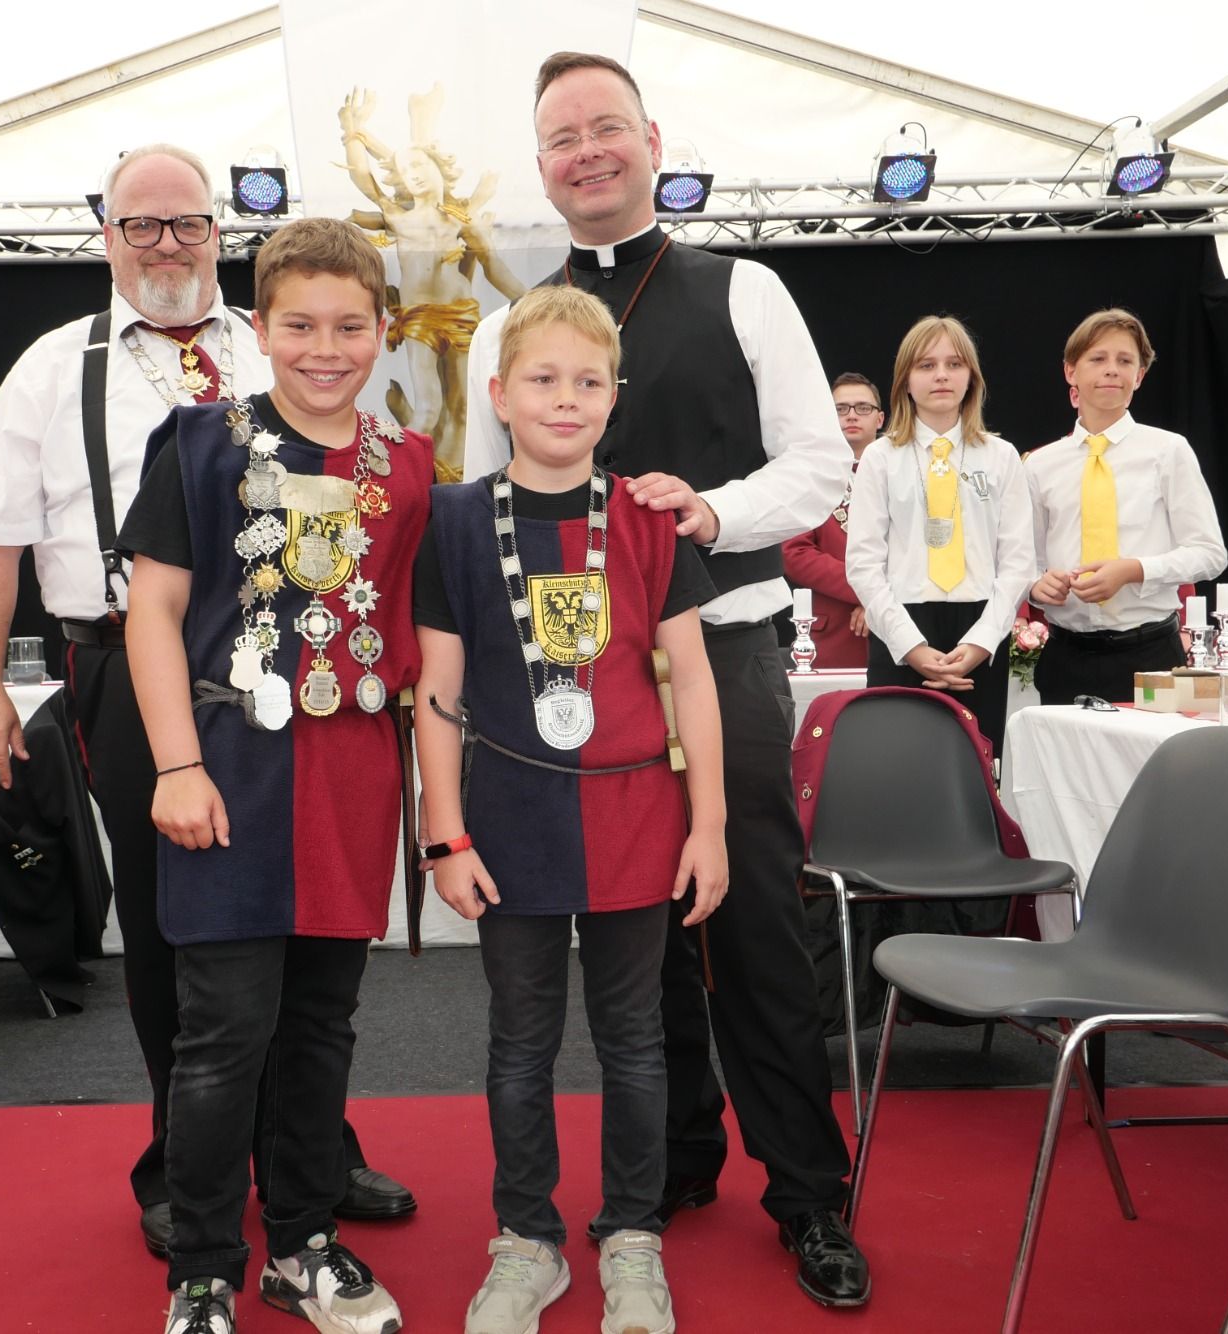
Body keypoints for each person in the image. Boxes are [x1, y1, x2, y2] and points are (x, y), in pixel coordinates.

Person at [0, 145, 411, 1266]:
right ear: (105, 234)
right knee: (178, 927)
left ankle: (308, 1154)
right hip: (132, 666)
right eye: (141, 224)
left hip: (300, 670)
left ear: (220, 231)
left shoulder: (285, 338)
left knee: (307, 926)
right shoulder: (50, 366)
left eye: (188, 222)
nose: (167, 243)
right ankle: (179, 1160)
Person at [465, 51, 870, 1311]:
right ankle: (678, 1153)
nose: (584, 151)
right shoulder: (504, 327)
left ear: (651, 140)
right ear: (540, 168)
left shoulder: (744, 289)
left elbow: (819, 464)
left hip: (724, 649)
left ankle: (807, 1190)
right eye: (560, 137)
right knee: (632, 931)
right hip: (570, 679)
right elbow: (482, 503)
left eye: (604, 127)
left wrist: (709, 509)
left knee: (749, 925)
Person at [117, 216, 431, 1334]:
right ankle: (202, 1269)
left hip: (350, 775)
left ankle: (301, 1244)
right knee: (221, 1036)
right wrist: (175, 764)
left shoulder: (411, 466)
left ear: (384, 330)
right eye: (299, 325)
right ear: (259, 328)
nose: (324, 348)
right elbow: (152, 610)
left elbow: (428, 636)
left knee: (320, 1028)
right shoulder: (200, 442)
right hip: (228, 770)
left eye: (349, 326)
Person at [414, 285, 725, 1334]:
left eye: (587, 381)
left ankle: (632, 1235)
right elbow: (438, 690)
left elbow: (691, 678)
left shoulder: (644, 518)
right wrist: (444, 832)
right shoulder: (455, 519)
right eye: (542, 378)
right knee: (519, 1042)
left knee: (636, 1040)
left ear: (613, 397)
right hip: (509, 823)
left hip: (638, 816)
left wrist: (710, 824)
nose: (565, 398)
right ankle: (526, 1240)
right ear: (499, 394)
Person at [844, 315, 1033, 756]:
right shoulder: (880, 457)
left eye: (954, 364)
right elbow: (863, 564)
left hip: (980, 631)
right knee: (897, 768)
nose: (942, 375)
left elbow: (1019, 562)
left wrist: (982, 642)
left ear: (972, 377)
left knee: (978, 770)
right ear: (906, 382)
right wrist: (911, 647)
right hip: (901, 629)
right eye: (926, 365)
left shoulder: (1001, 456)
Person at [1026, 308, 1226, 705]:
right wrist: (1035, 585)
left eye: (1124, 361)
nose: (1111, 370)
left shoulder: (1168, 451)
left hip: (1150, 652)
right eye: (1098, 359)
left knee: (1155, 748)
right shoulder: (1039, 464)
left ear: (1140, 375)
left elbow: (1210, 553)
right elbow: (1025, 560)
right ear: (1070, 372)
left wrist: (1135, 570)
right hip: (1067, 654)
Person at [340, 84, 526, 481]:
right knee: (429, 406)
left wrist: (535, 302)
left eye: (421, 167)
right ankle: (397, 481)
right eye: (407, 172)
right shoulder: (398, 216)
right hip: (420, 320)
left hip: (462, 316)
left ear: (440, 169)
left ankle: (463, 480)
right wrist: (351, 131)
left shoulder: (462, 218)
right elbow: (362, 177)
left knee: (465, 406)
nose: (415, 176)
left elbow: (494, 268)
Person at [782, 372, 886, 668]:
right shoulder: (808, 476)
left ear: (880, 419)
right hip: (835, 635)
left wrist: (882, 601)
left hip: (902, 625)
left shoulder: (906, 473)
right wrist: (868, 591)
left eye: (863, 408)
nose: (852, 415)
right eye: (840, 409)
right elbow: (794, 553)